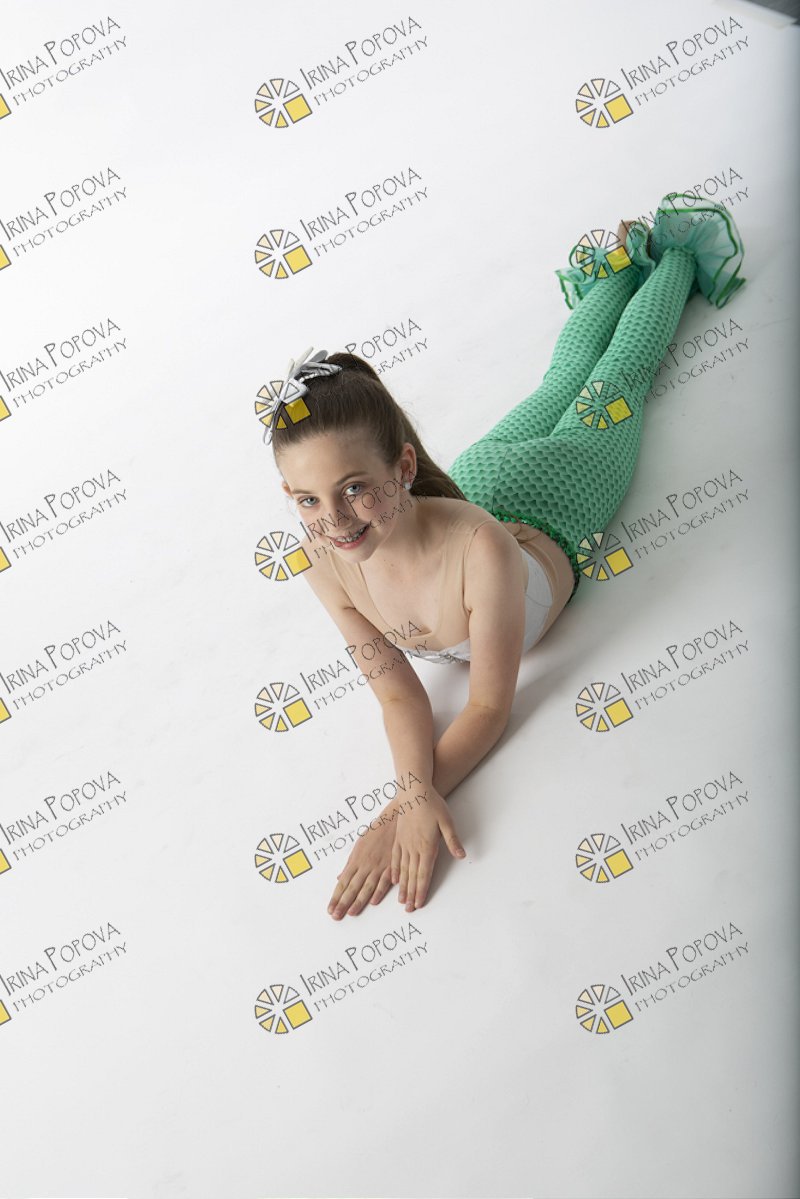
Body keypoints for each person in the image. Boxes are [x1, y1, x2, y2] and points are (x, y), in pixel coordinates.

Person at [262, 192, 746, 921]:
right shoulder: (324, 559)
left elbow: (489, 705)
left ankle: (674, 255)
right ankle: (620, 266)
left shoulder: (481, 548)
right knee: (564, 378)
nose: (333, 520)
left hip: (562, 498)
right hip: (483, 477)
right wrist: (409, 799)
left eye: (354, 487)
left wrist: (406, 809)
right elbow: (398, 694)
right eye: (307, 499)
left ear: (402, 467)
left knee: (617, 379)